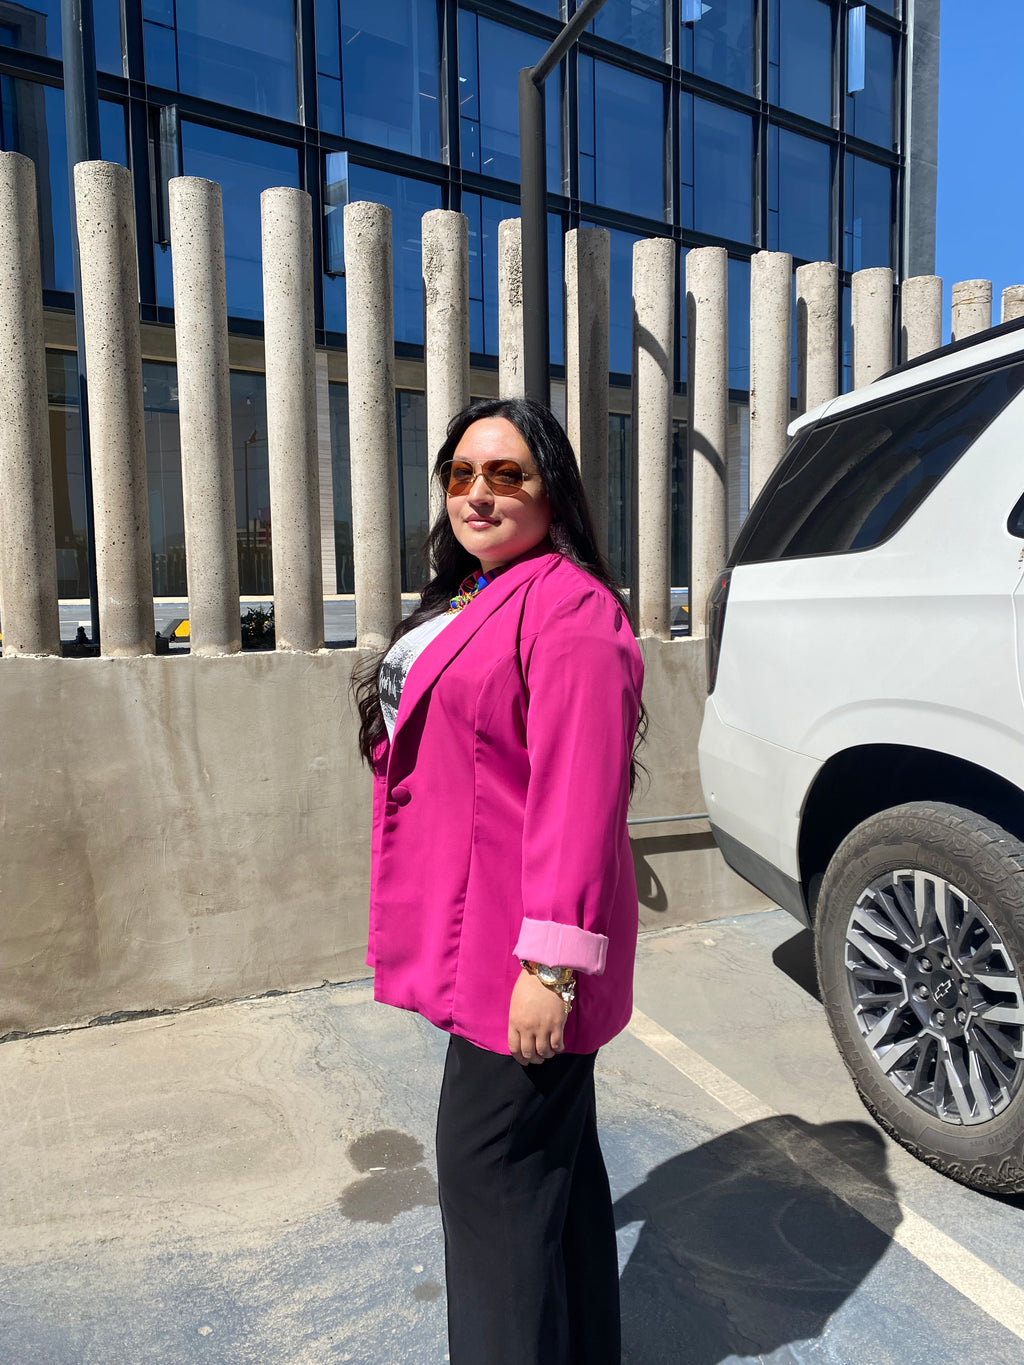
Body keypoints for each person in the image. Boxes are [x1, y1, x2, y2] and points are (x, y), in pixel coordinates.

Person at [354, 397, 645, 1365]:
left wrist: (551, 968)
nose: (478, 493)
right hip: (480, 934)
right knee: (545, 1181)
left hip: (521, 956)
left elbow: (580, 801)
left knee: (490, 1191)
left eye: (506, 473)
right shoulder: (481, 593)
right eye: (461, 474)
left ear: (550, 490)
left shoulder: (570, 609)